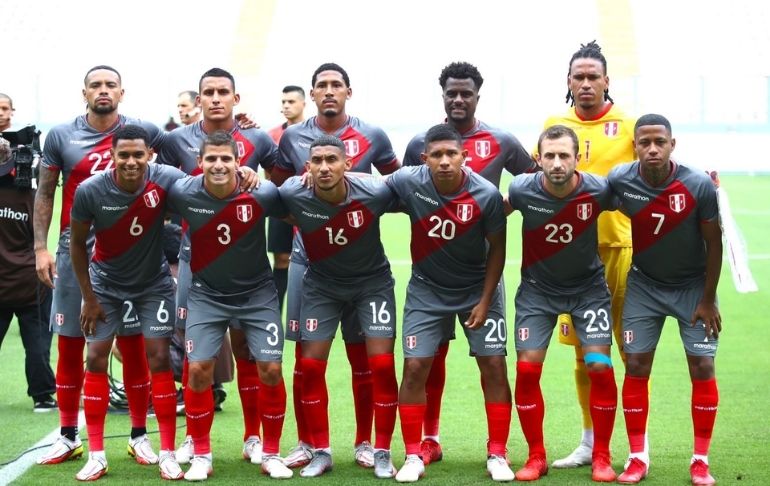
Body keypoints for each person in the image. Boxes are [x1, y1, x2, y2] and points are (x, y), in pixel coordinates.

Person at [402, 61, 536, 465]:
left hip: (479, 275)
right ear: (442, 96)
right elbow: (403, 189)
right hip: (431, 273)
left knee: (493, 363)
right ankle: (429, 439)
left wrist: (497, 211)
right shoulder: (420, 143)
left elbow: (532, 182)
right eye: (451, 93)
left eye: (466, 93)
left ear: (478, 95)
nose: (458, 99)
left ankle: (497, 452)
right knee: (430, 357)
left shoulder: (501, 141)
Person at [269, 62, 400, 470]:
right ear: (312, 93)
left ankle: (368, 444)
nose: (329, 91)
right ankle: (310, 444)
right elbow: (277, 196)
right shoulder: (293, 137)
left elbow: (396, 188)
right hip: (308, 262)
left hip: (365, 269)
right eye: (321, 86)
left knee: (369, 361)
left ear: (348, 91)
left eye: (336, 85)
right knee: (305, 360)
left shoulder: (371, 136)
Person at [34, 65, 165, 466]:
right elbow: (44, 191)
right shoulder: (60, 136)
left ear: (122, 93)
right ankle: (68, 435)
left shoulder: (144, 133)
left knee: (134, 347)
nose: (103, 91)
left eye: (110, 85)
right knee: (72, 344)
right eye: (96, 85)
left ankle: (139, 436)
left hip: (130, 257)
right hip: (75, 254)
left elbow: (194, 159)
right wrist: (40, 247)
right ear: (84, 92)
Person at [157, 67, 278, 466]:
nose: (214, 99)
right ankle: (195, 440)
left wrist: (257, 179)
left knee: (248, 348)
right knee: (196, 355)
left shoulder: (257, 139)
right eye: (207, 92)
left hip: (246, 261)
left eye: (222, 92)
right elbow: (155, 181)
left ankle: (252, 437)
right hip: (197, 258)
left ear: (235, 98)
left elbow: (281, 185)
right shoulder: (175, 140)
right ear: (198, 99)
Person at [387, 124, 512, 483]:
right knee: (414, 367)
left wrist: (486, 300)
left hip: (476, 288)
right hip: (427, 290)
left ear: (464, 156)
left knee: (493, 365)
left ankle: (498, 453)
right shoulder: (409, 181)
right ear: (424, 159)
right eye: (436, 155)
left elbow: (498, 247)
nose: (444, 161)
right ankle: (413, 454)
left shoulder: (486, 195)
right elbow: (368, 187)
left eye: (451, 154)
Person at [167, 130, 292, 481]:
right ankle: (202, 454)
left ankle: (269, 452)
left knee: (269, 370)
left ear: (239, 162)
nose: (219, 165)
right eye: (211, 158)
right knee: (197, 371)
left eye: (226, 158)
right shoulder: (182, 192)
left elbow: (301, 211)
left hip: (257, 295)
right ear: (199, 163)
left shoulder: (262, 193)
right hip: (206, 294)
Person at [538, 41, 637, 469]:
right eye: (577, 77)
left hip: (622, 251)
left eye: (592, 76)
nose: (585, 83)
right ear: (568, 82)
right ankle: (590, 442)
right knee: (586, 355)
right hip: (571, 257)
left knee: (630, 351)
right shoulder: (554, 123)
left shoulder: (630, 125)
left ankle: (637, 447)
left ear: (606, 81)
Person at [609, 114, 722, 486]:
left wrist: (708, 299)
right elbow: (594, 197)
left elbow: (714, 243)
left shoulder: (696, 184)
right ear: (636, 146)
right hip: (644, 285)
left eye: (660, 142)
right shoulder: (621, 179)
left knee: (702, 367)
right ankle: (638, 457)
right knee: (636, 365)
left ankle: (700, 461)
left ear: (673, 144)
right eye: (645, 143)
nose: (652, 149)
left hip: (693, 288)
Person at [68, 125, 186, 481]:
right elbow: (76, 244)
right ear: (113, 156)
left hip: (153, 284)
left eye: (139, 154)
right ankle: (97, 454)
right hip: (105, 283)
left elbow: (205, 188)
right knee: (96, 357)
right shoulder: (91, 190)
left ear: (150, 154)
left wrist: (244, 174)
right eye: (124, 155)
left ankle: (167, 451)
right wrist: (88, 297)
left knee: (160, 356)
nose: (132, 161)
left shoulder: (165, 179)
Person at [505, 125, 618, 482]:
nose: (556, 163)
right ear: (538, 159)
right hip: (538, 292)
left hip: (588, 292)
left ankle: (601, 455)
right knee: (526, 369)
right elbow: (490, 215)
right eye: (549, 156)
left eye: (563, 155)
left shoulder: (598, 189)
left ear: (577, 158)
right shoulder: (522, 189)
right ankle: (536, 455)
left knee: (599, 366)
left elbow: (645, 199)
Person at [0, 93, 57, 413]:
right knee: (37, 343)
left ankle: (43, 393)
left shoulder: (34, 183)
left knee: (37, 344)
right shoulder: (37, 194)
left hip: (28, 276)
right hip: (29, 275)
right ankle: (43, 395)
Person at [266, 85, 306, 314]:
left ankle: (305, 316)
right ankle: (274, 314)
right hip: (281, 204)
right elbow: (269, 175)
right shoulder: (272, 135)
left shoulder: (315, 133)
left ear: (303, 104)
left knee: (311, 260)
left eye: (291, 101)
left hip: (308, 205)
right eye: (283, 102)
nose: (286, 106)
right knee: (281, 259)